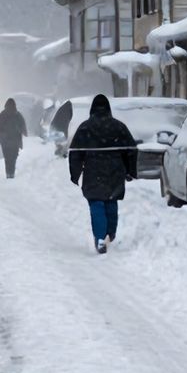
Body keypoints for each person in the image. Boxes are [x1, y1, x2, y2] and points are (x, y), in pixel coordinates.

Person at [67, 94, 137, 254]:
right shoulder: (119, 127)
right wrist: (130, 170)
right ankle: (110, 234)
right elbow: (131, 150)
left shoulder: (85, 127)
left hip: (93, 170)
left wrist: (75, 173)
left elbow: (76, 152)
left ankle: (100, 237)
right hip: (115, 170)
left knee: (96, 203)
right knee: (111, 202)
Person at [0, 98, 26, 179]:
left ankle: (8, 173)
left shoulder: (2, 114)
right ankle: (12, 173)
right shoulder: (18, 115)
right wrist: (23, 132)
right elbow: (23, 126)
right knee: (13, 158)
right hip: (15, 141)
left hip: (5, 142)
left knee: (7, 158)